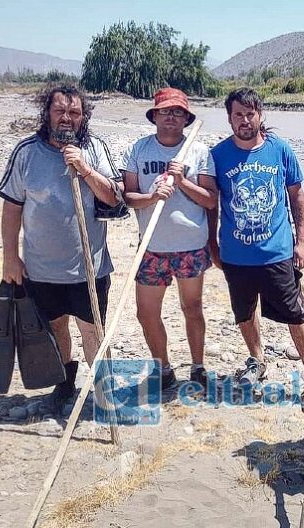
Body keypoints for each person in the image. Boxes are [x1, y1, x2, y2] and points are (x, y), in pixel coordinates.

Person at [0, 83, 124, 412]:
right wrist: (11, 258)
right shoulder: (26, 152)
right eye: (60, 111)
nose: (67, 118)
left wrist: (84, 168)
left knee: (92, 331)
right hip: (41, 268)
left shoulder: (94, 148)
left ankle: (101, 394)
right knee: (54, 328)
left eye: (74, 112)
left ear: (83, 117)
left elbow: (113, 196)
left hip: (89, 266)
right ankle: (64, 385)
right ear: (47, 113)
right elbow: (12, 208)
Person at [208, 87, 304, 414]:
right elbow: (212, 205)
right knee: (244, 312)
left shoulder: (280, 150)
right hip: (235, 255)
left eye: (250, 114)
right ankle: (257, 361)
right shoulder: (218, 155)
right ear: (229, 118)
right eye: (238, 115)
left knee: (295, 312)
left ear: (260, 115)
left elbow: (297, 198)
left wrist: (301, 241)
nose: (245, 120)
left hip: (276, 252)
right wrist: (213, 243)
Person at [121, 88, 217, 390]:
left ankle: (198, 366)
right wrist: (152, 196)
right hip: (152, 248)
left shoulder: (198, 151)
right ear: (155, 116)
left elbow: (210, 200)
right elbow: (129, 198)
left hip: (190, 246)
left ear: (186, 118)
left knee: (192, 308)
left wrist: (182, 181)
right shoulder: (139, 150)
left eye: (178, 112)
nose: (171, 116)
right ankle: (162, 368)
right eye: (165, 111)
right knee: (146, 313)